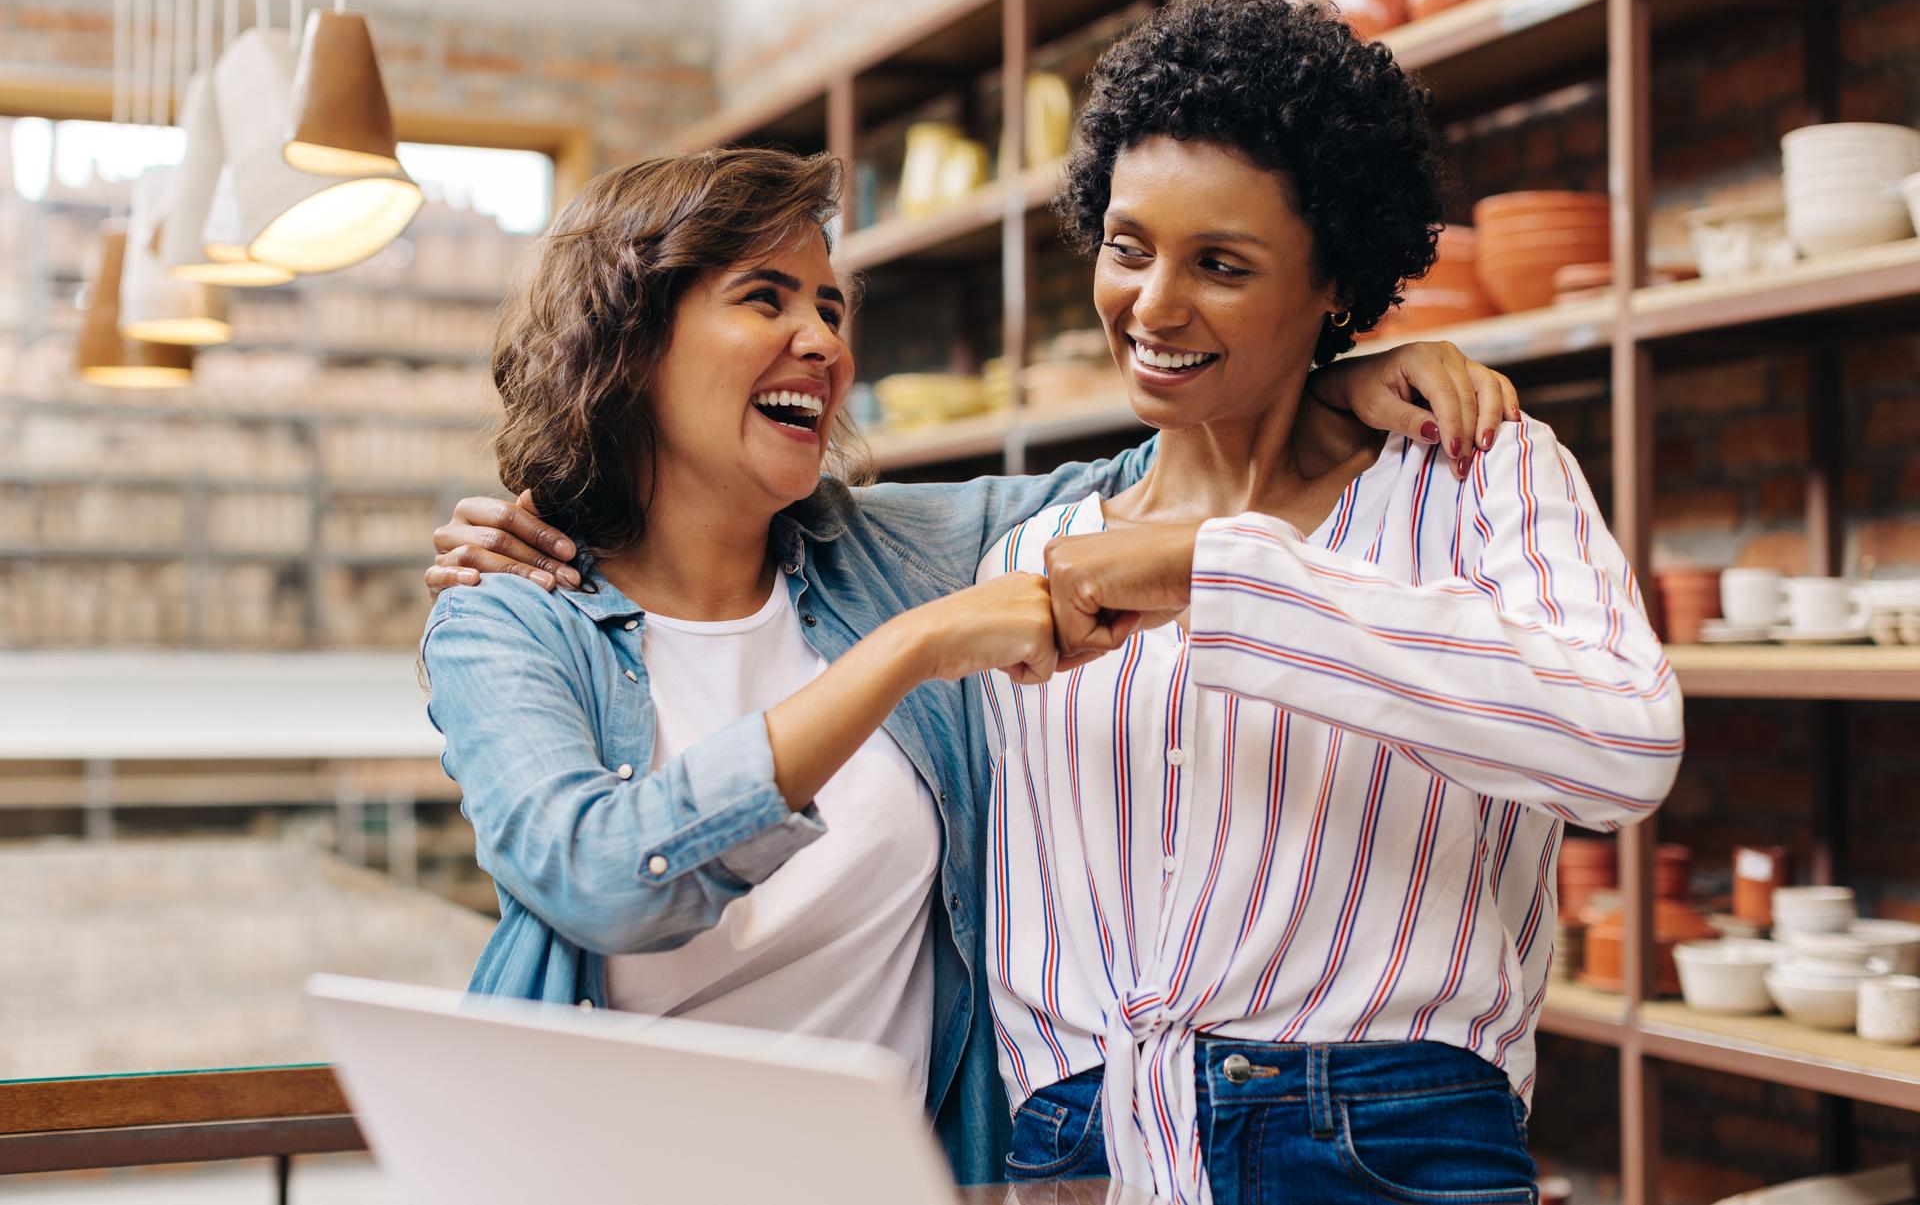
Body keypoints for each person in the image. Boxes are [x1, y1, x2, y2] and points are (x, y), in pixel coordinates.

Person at [417, 150, 1523, 1181]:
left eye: (831, 306)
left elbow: (1170, 463)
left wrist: (1340, 380)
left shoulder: (893, 549)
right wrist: (912, 648)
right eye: (766, 298)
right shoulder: (512, 623)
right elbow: (602, 878)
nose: (823, 341)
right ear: (628, 342)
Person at [964, 0, 1684, 1205]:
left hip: (1383, 1143)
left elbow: (1622, 744)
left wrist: (1221, 575)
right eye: (1128, 246)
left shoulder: (1477, 472)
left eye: (1223, 265)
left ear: (1335, 284)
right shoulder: (1036, 553)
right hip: (1088, 1145)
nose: (1152, 305)